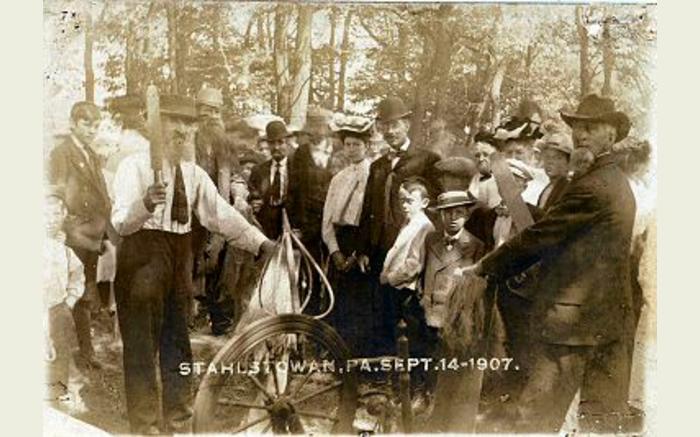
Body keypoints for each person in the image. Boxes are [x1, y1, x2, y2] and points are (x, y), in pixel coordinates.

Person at [459, 93, 636, 433]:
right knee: (599, 424)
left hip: (573, 325)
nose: (580, 134)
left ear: (611, 135)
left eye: (591, 127)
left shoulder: (595, 185)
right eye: (577, 127)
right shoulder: (609, 180)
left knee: (533, 420)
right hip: (603, 321)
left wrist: (482, 268)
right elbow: (554, 229)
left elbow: (542, 236)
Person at [111, 94, 275, 434]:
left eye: (188, 124)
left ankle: (179, 421)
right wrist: (145, 203)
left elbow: (221, 215)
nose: (183, 131)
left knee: (178, 345)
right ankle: (145, 427)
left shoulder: (194, 173)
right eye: (174, 122)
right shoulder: (134, 166)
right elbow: (120, 224)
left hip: (179, 258)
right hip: (142, 256)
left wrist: (261, 244)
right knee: (141, 348)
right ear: (155, 124)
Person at [357, 96, 441, 356]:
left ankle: (412, 375)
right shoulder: (377, 166)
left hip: (410, 248)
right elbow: (368, 208)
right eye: (385, 125)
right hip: (380, 248)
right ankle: (384, 370)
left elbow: (435, 208)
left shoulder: (427, 160)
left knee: (410, 313)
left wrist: (425, 248)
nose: (390, 131)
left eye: (395, 124)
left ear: (406, 124)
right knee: (382, 310)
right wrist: (362, 249)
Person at [47, 101, 117, 370]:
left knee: (85, 291)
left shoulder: (90, 153)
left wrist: (107, 231)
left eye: (96, 125)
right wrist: (60, 231)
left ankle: (86, 353)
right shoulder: (61, 154)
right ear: (73, 123)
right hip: (73, 234)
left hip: (92, 233)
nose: (92, 129)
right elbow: (56, 194)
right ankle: (63, 353)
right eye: (87, 123)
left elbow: (102, 195)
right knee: (67, 292)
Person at [419, 162, 486, 432]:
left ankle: (450, 417)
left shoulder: (475, 246)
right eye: (447, 214)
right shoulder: (431, 239)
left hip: (454, 315)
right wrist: (423, 297)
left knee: (453, 366)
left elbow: (474, 287)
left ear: (467, 216)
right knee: (429, 362)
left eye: (458, 213)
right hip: (429, 310)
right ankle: (430, 406)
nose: (453, 219)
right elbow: (426, 272)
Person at [321, 116, 374, 354]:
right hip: (340, 243)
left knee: (361, 304)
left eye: (357, 145)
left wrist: (357, 252)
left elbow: (372, 218)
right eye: (348, 144)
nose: (352, 150)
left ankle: (358, 357)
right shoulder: (338, 178)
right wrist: (334, 251)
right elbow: (328, 220)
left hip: (363, 244)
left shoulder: (375, 174)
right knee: (338, 302)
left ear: (367, 146)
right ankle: (337, 354)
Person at [379, 177, 435, 398]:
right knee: (398, 336)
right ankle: (401, 386)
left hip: (408, 290)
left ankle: (413, 388)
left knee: (410, 339)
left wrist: (390, 278)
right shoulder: (410, 223)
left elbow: (414, 264)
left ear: (424, 203)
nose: (405, 206)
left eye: (410, 201)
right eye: (403, 201)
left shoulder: (424, 226)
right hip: (398, 288)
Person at [44, 186, 85, 410]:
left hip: (57, 311)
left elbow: (77, 276)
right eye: (45, 215)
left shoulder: (65, 250)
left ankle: (56, 409)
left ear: (63, 216)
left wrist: (68, 302)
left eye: (55, 214)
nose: (50, 220)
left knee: (60, 360)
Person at [249, 120, 298, 240]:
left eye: (280, 142)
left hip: (292, 232)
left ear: (288, 143)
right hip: (264, 232)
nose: (276, 147)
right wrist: (252, 203)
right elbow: (251, 196)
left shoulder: (298, 170)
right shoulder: (258, 171)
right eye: (272, 143)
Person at [537, 132, 573, 210]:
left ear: (569, 162)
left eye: (557, 157)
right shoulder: (548, 187)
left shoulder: (569, 189)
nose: (550, 162)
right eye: (547, 157)